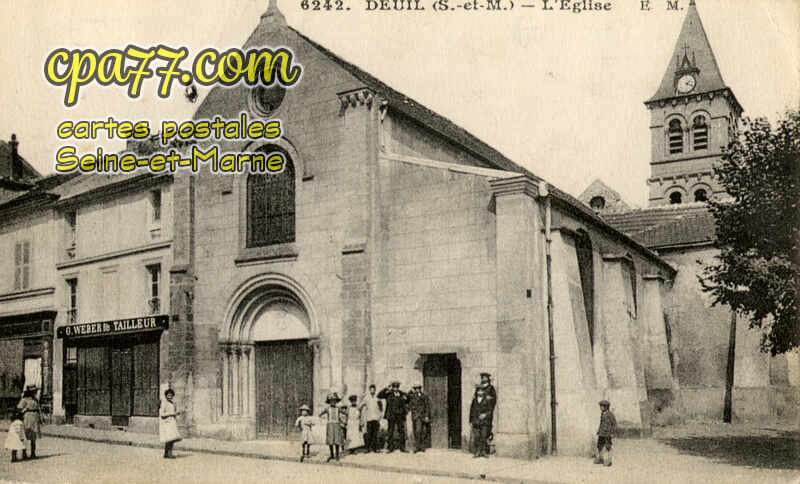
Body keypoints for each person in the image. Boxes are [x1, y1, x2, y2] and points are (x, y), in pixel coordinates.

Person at [377, 380, 409, 453]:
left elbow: (408, 399)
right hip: (391, 415)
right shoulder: (389, 393)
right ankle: (390, 448)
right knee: (390, 431)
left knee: (401, 431)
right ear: (392, 387)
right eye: (394, 387)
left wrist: (406, 394)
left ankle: (402, 448)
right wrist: (386, 388)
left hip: (400, 415)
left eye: (397, 387)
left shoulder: (401, 394)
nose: (396, 388)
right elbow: (379, 395)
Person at [319, 392, 345, 462]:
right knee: (330, 440)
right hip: (330, 425)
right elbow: (320, 414)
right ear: (329, 402)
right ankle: (332, 455)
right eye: (331, 401)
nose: (333, 402)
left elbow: (345, 413)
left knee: (337, 440)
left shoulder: (338, 409)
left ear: (336, 402)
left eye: (334, 401)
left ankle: (337, 455)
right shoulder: (327, 409)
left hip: (336, 425)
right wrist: (321, 416)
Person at [16, 385, 40, 459]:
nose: (35, 392)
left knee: (34, 437)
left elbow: (38, 409)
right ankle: (24, 453)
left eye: (35, 391)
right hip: (27, 418)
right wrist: (24, 410)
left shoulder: (36, 399)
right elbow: (19, 408)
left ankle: (33, 453)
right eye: (33, 391)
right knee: (26, 436)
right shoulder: (25, 399)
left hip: (35, 418)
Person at [469, 386, 493, 458]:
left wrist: (485, 415)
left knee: (483, 436)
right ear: (476, 392)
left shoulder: (487, 400)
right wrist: (470, 420)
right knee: (477, 437)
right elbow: (471, 410)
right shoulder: (474, 400)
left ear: (483, 392)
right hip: (476, 421)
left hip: (484, 422)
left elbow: (490, 411)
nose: (480, 392)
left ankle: (484, 452)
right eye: (478, 391)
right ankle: (477, 452)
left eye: (481, 391)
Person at [359, 384, 383, 453]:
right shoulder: (366, 398)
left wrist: (380, 416)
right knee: (369, 434)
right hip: (369, 418)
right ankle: (368, 448)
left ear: (375, 390)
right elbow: (360, 406)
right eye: (371, 389)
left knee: (375, 434)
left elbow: (381, 407)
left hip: (376, 418)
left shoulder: (377, 398)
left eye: (374, 389)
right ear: (369, 390)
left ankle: (374, 448)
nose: (372, 391)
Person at [407, 383, 431, 453]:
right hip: (415, 416)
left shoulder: (424, 396)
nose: (417, 390)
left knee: (422, 431)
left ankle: (421, 447)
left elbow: (427, 406)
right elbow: (409, 401)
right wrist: (410, 391)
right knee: (416, 431)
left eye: (418, 388)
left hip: (422, 416)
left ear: (420, 388)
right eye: (416, 388)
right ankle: (417, 447)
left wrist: (426, 416)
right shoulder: (413, 396)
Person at [159, 388, 182, 459]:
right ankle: (169, 454)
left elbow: (173, 412)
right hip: (167, 423)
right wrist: (172, 413)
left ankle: (166, 454)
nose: (170, 396)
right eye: (168, 395)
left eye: (171, 395)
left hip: (172, 422)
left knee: (170, 439)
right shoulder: (164, 403)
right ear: (166, 396)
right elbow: (162, 414)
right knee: (170, 439)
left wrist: (176, 414)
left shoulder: (172, 403)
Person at [594, 399, 617, 467]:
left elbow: (614, 424)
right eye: (600, 406)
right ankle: (601, 459)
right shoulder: (603, 413)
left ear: (606, 407)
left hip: (607, 433)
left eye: (602, 406)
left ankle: (608, 461)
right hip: (602, 433)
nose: (600, 407)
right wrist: (599, 431)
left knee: (608, 447)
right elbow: (602, 423)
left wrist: (612, 433)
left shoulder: (610, 414)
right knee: (599, 446)